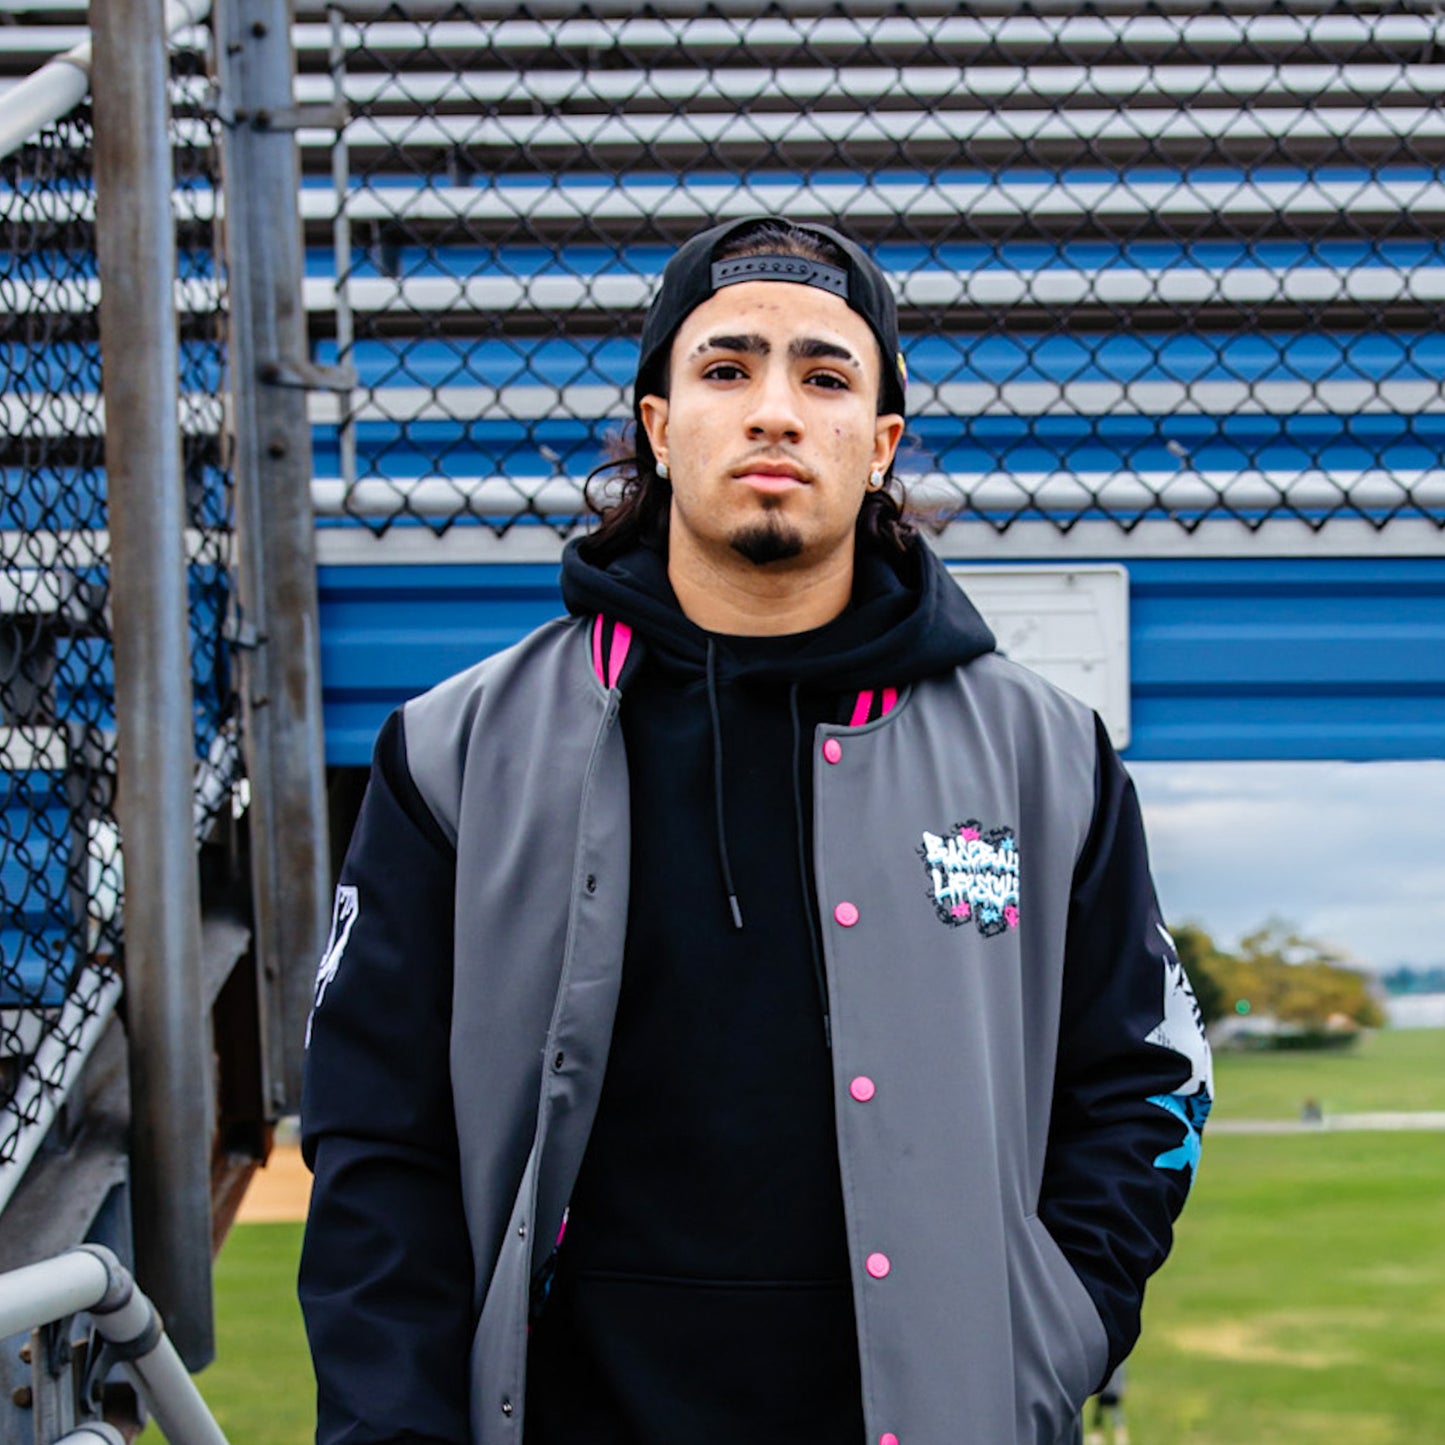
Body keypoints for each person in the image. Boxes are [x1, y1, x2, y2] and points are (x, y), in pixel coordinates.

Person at [298, 215, 1214, 1445]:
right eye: (725, 369)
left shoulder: (1045, 756)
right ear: (658, 427)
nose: (774, 409)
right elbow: (374, 1139)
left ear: (879, 444)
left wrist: (1046, 1331)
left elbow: (1145, 1082)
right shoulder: (453, 750)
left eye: (824, 376)